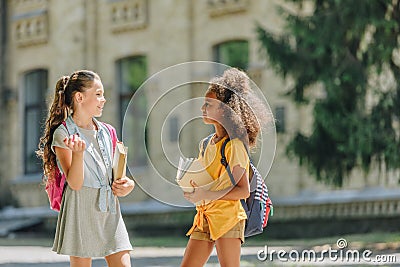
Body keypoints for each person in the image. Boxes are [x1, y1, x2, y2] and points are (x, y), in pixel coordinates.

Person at [37, 70, 135, 267]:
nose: (103, 99)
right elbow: (75, 183)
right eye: (98, 94)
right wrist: (79, 154)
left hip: (109, 207)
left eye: (103, 94)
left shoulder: (108, 131)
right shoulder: (63, 133)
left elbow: (118, 176)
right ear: (79, 97)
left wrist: (127, 185)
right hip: (80, 207)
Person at [181, 68, 270, 267]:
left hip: (228, 218)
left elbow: (242, 190)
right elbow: (210, 179)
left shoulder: (235, 146)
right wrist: (193, 188)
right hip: (204, 216)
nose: (202, 108)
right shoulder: (205, 144)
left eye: (209, 104)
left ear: (224, 109)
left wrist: (206, 193)